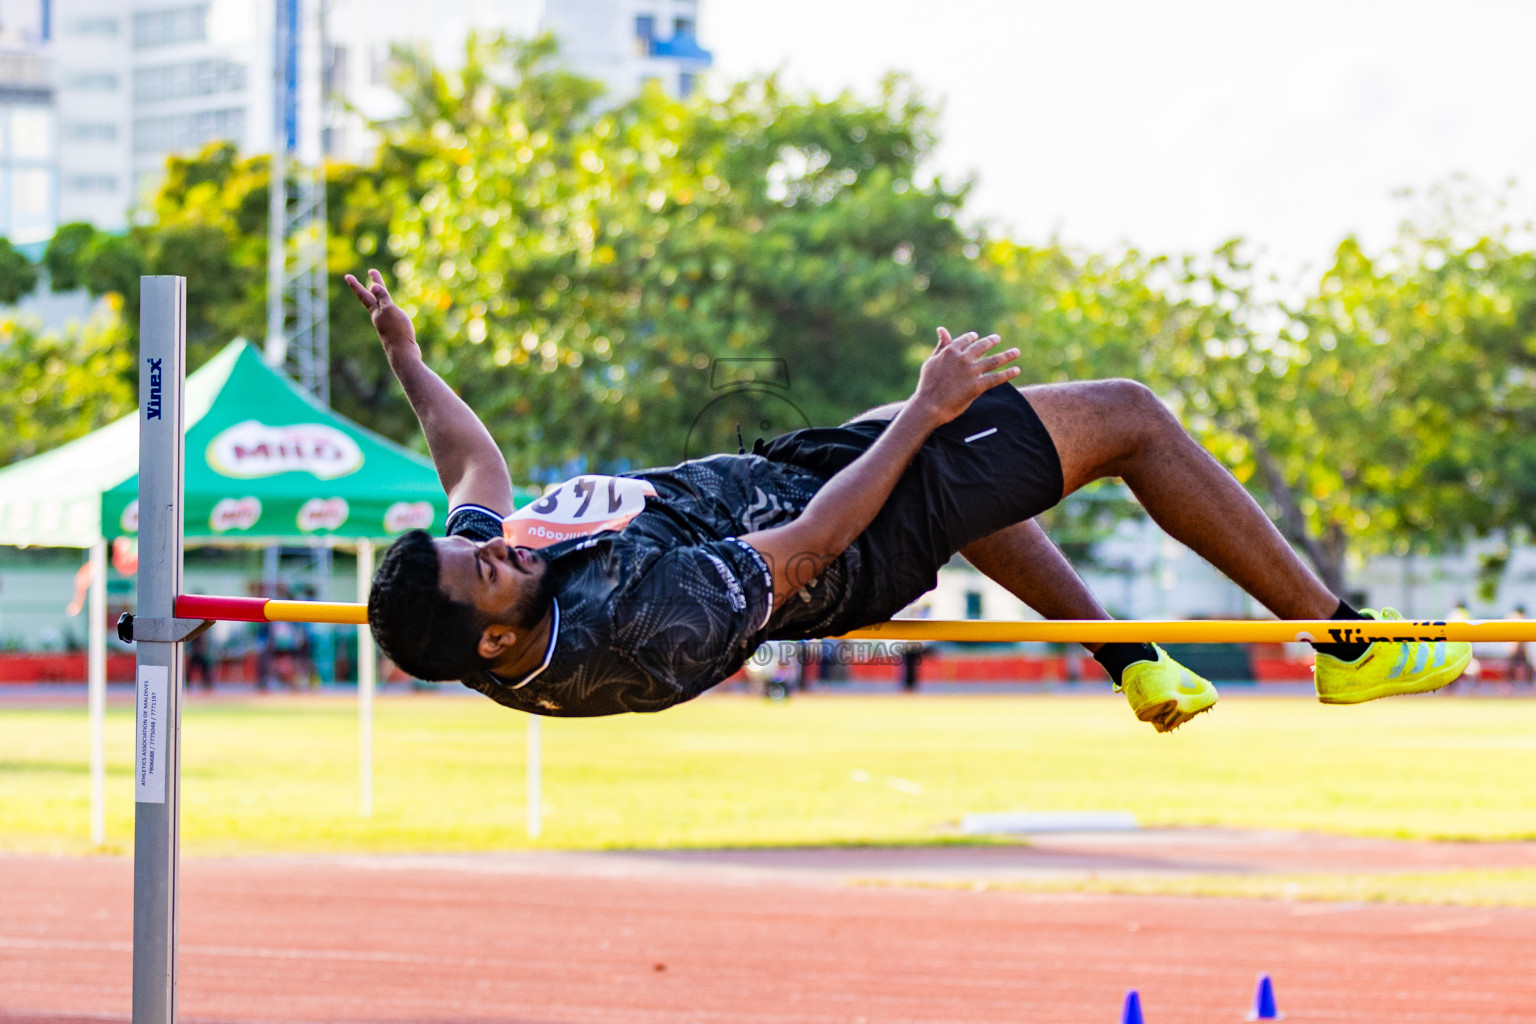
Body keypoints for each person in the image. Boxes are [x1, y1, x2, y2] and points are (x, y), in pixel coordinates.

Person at [347, 269, 1472, 731]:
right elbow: (819, 534)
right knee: (1127, 415)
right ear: (498, 633)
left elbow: (472, 472)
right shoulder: (641, 622)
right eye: (492, 570)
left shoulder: (481, 613)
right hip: (841, 542)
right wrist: (923, 414)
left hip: (782, 479)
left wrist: (405, 350)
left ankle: (1129, 657)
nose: (502, 551)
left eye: (485, 553)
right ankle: (1339, 639)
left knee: (983, 469)